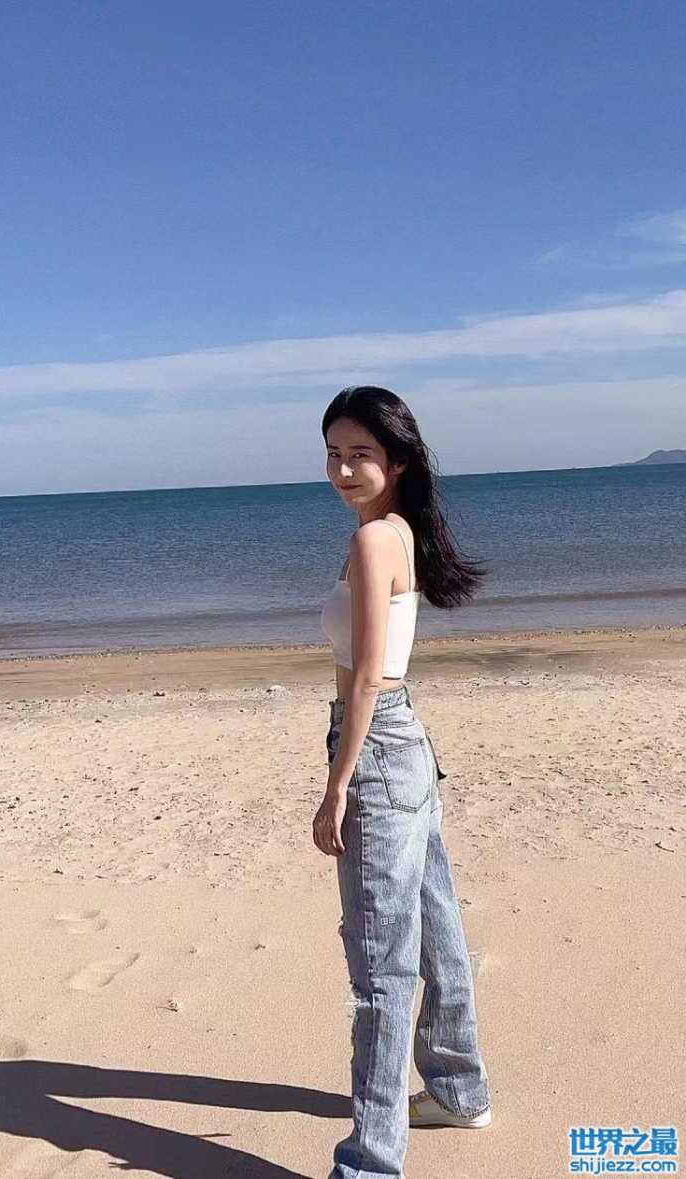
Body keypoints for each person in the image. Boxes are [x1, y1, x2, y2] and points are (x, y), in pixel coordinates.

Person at [315, 386, 492, 1179]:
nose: (343, 469)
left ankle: (370, 1162)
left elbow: (366, 679)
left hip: (379, 746)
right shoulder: (398, 532)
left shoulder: (371, 541)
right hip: (407, 743)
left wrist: (338, 783)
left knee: (380, 966)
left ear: (398, 461)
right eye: (333, 453)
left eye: (360, 454)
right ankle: (457, 1086)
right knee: (436, 925)